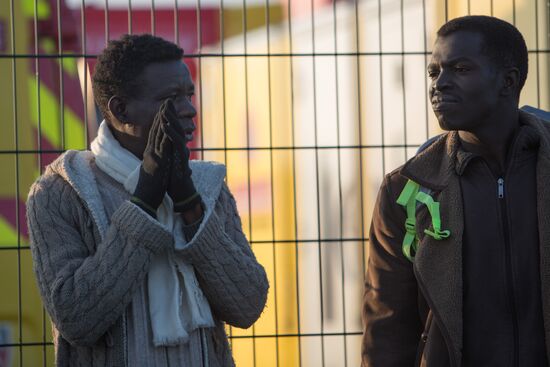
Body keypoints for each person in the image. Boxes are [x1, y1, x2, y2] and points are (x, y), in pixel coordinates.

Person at [26, 34, 269, 367]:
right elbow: (77, 318)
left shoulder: (206, 186)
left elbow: (247, 304)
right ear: (120, 109)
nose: (189, 110)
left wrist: (189, 204)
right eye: (171, 98)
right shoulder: (60, 192)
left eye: (189, 94)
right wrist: (143, 203)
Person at [362, 16, 550, 366]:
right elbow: (387, 327)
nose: (439, 84)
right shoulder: (407, 190)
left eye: (460, 69)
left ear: (508, 82)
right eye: (434, 72)